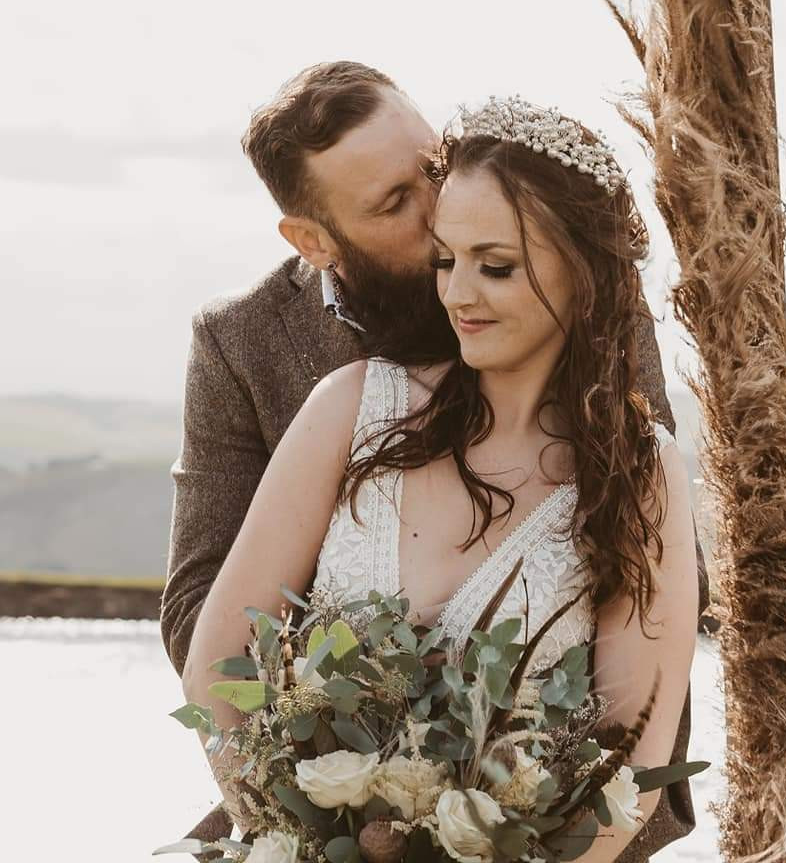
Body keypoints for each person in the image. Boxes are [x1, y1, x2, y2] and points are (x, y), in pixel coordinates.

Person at [176, 90, 704, 862]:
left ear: (582, 275)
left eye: (492, 265)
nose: (453, 289)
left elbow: (635, 747)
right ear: (314, 238)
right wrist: (293, 831)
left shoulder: (637, 466)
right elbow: (212, 640)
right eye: (447, 259)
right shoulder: (347, 406)